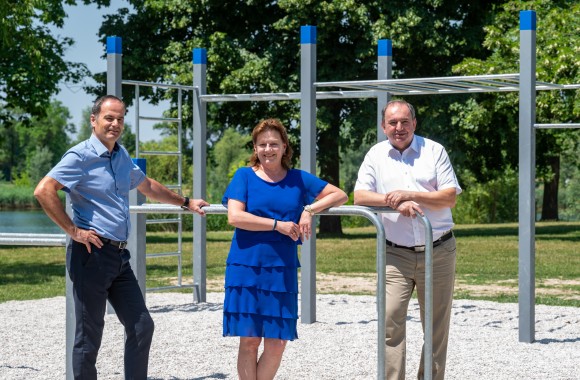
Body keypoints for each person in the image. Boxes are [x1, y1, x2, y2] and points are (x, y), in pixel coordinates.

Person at [34, 95, 209, 379]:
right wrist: (74, 231)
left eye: (120, 118)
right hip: (90, 255)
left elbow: (147, 186)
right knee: (88, 337)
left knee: (141, 325)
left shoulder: (120, 154)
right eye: (109, 118)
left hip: (118, 257)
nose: (115, 124)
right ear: (93, 120)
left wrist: (185, 202)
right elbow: (44, 190)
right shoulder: (80, 156)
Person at [221, 118, 348, 380]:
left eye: (274, 144)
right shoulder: (243, 176)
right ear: (255, 148)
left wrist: (309, 209)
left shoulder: (298, 179)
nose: (268, 149)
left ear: (284, 147)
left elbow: (340, 195)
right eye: (262, 144)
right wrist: (277, 225)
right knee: (250, 340)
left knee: (278, 341)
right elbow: (235, 217)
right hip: (246, 266)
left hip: (281, 269)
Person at [354, 99, 462, 380]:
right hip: (395, 255)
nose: (398, 128)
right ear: (383, 126)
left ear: (414, 123)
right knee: (390, 321)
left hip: (438, 251)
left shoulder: (434, 151)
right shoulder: (375, 155)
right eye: (392, 122)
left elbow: (449, 197)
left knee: (436, 328)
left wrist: (411, 195)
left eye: (404, 122)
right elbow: (360, 196)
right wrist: (393, 203)